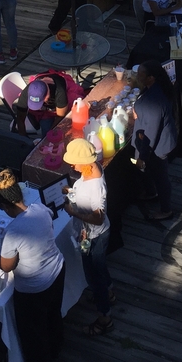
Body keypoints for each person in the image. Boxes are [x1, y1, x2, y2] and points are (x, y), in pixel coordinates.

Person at [0, 169, 66, 362]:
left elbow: (6, 266)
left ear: (5, 206)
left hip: (34, 289)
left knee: (33, 334)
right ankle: (56, 348)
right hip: (57, 271)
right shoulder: (41, 209)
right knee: (52, 316)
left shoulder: (13, 231)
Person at [62, 140, 114, 336]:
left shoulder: (96, 187)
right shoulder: (92, 169)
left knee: (94, 276)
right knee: (98, 269)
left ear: (86, 162)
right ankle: (109, 292)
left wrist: (73, 213)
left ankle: (104, 318)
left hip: (94, 237)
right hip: (87, 234)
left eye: (75, 162)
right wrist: (72, 192)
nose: (72, 166)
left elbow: (98, 218)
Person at [133, 60, 178, 221]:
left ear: (151, 78)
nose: (137, 76)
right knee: (154, 173)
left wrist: (141, 158)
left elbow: (150, 134)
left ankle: (166, 209)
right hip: (158, 141)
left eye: (140, 74)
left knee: (161, 177)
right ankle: (151, 192)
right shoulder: (157, 90)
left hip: (157, 148)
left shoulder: (154, 102)